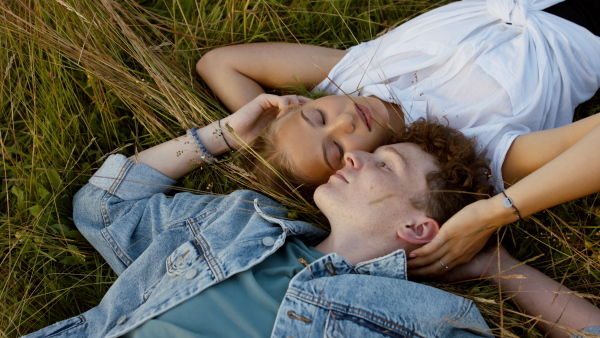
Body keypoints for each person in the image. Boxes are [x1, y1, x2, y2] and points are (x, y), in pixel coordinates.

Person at [24, 95, 600, 337]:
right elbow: (105, 206)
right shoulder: (240, 220)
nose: (353, 153)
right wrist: (223, 135)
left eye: (384, 161)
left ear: (418, 227)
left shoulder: (428, 314)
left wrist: (495, 262)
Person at [196, 0, 600, 273]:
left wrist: (269, 131)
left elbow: (219, 63)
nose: (345, 122)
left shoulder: (351, 74)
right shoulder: (468, 150)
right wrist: (492, 212)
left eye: (318, 116)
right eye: (336, 150)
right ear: (355, 168)